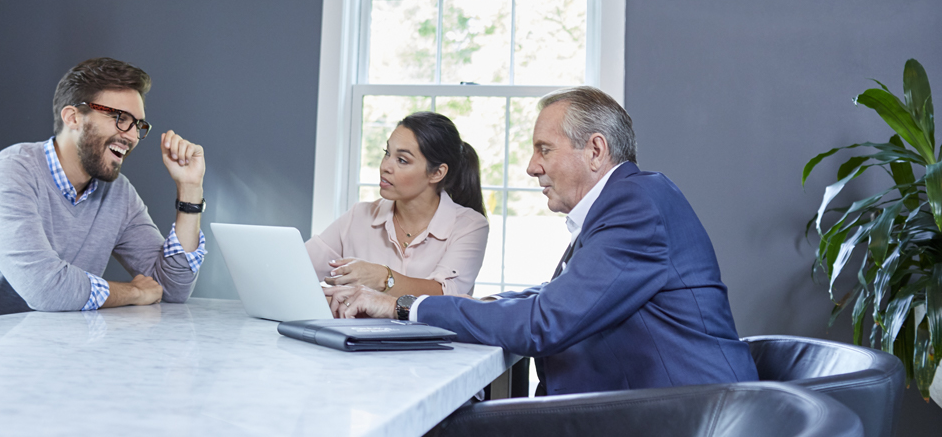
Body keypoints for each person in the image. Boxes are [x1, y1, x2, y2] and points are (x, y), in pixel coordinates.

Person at [325, 87, 759, 395]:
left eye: (544, 149)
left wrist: (402, 305)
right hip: (649, 405)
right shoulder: (628, 204)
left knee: (441, 424)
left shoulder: (636, 208)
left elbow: (545, 322)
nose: (532, 167)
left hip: (688, 416)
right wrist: (485, 306)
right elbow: (558, 298)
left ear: (595, 150)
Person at [0, 57, 208, 324]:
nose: (131, 136)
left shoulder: (118, 194)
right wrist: (132, 292)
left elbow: (170, 289)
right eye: (121, 119)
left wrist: (190, 188)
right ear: (73, 117)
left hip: (26, 358)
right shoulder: (9, 177)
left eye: (138, 125)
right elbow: (46, 289)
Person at [307, 111, 489, 297]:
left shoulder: (470, 225)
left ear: (437, 173)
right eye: (387, 153)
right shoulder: (358, 216)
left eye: (402, 160)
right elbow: (296, 268)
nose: (385, 166)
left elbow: (445, 296)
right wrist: (329, 299)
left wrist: (382, 278)